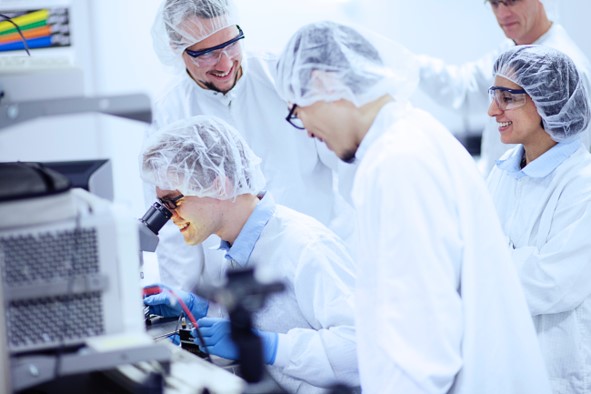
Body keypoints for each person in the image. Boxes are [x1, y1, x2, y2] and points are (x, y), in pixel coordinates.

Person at [275, 20, 551, 394]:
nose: (305, 129)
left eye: (297, 109)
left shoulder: (397, 162)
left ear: (325, 83)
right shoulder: (412, 136)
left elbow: (422, 345)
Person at [140, 115, 360, 393]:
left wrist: (270, 346)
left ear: (218, 185)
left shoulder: (305, 245)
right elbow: (277, 316)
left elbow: (358, 347)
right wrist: (205, 308)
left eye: (173, 201)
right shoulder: (234, 245)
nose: (170, 216)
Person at [148, 0, 356, 291]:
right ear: (176, 48)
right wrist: (181, 298)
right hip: (234, 281)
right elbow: (174, 218)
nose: (225, 63)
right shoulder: (170, 111)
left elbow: (349, 163)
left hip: (317, 261)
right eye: (206, 53)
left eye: (231, 43)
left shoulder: (282, 77)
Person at [486, 45, 591, 393]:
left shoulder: (582, 184)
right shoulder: (502, 172)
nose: (492, 110)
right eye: (493, 94)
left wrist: (482, 262)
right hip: (502, 364)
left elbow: (551, 282)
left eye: (507, 97)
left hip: (556, 373)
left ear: (549, 102)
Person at [416, 0, 591, 174]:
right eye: (494, 3)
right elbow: (467, 89)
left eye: (511, 2)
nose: (502, 14)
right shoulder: (511, 51)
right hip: (505, 184)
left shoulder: (565, 67)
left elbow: (571, 155)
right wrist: (410, 64)